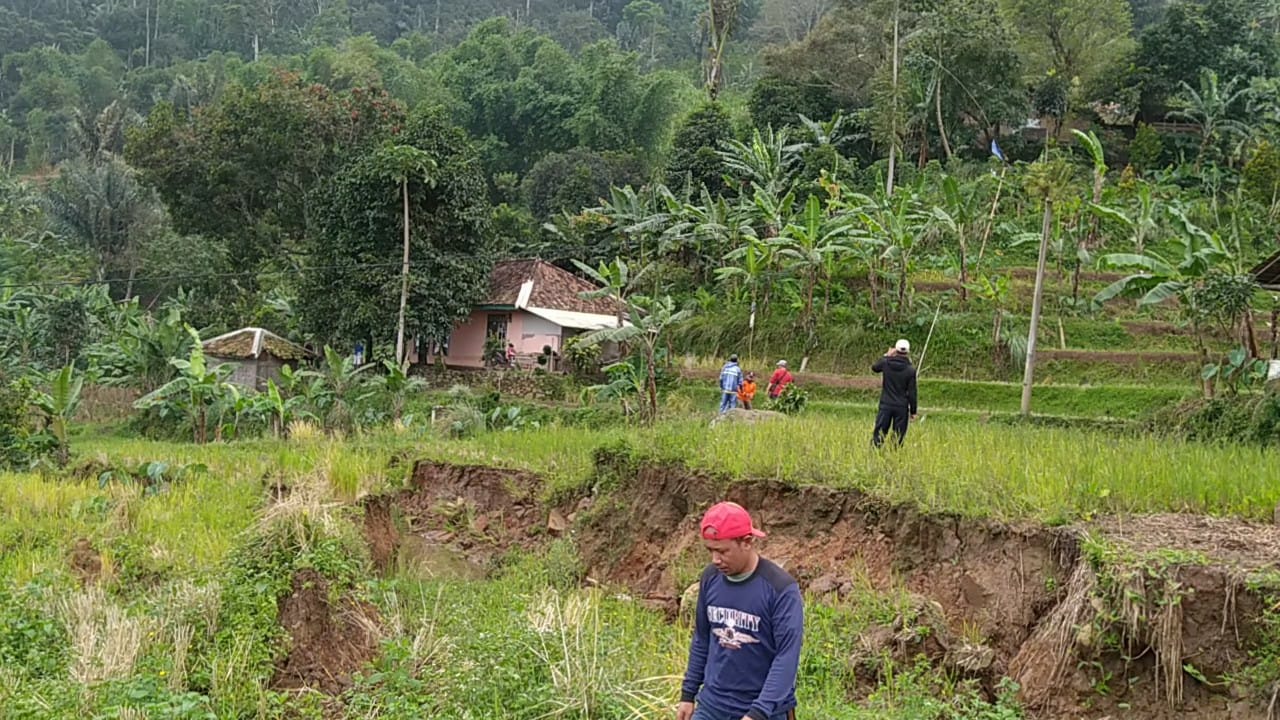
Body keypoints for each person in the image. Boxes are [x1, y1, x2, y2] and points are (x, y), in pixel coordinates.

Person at [677, 502, 803, 720]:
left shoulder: (780, 589)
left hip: (763, 711)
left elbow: (786, 657)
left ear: (747, 542)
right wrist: (688, 694)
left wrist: (757, 713)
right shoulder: (710, 578)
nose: (715, 560)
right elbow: (702, 638)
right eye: (710, 551)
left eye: (723, 551)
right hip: (712, 706)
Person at [871, 339, 919, 447]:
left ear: (895, 350)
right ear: (907, 352)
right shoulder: (910, 370)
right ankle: (894, 456)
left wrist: (886, 355)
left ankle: (875, 453)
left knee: (879, 433)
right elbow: (912, 392)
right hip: (901, 407)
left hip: (886, 404)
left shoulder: (886, 363)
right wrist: (913, 411)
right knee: (898, 436)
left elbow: (874, 368)